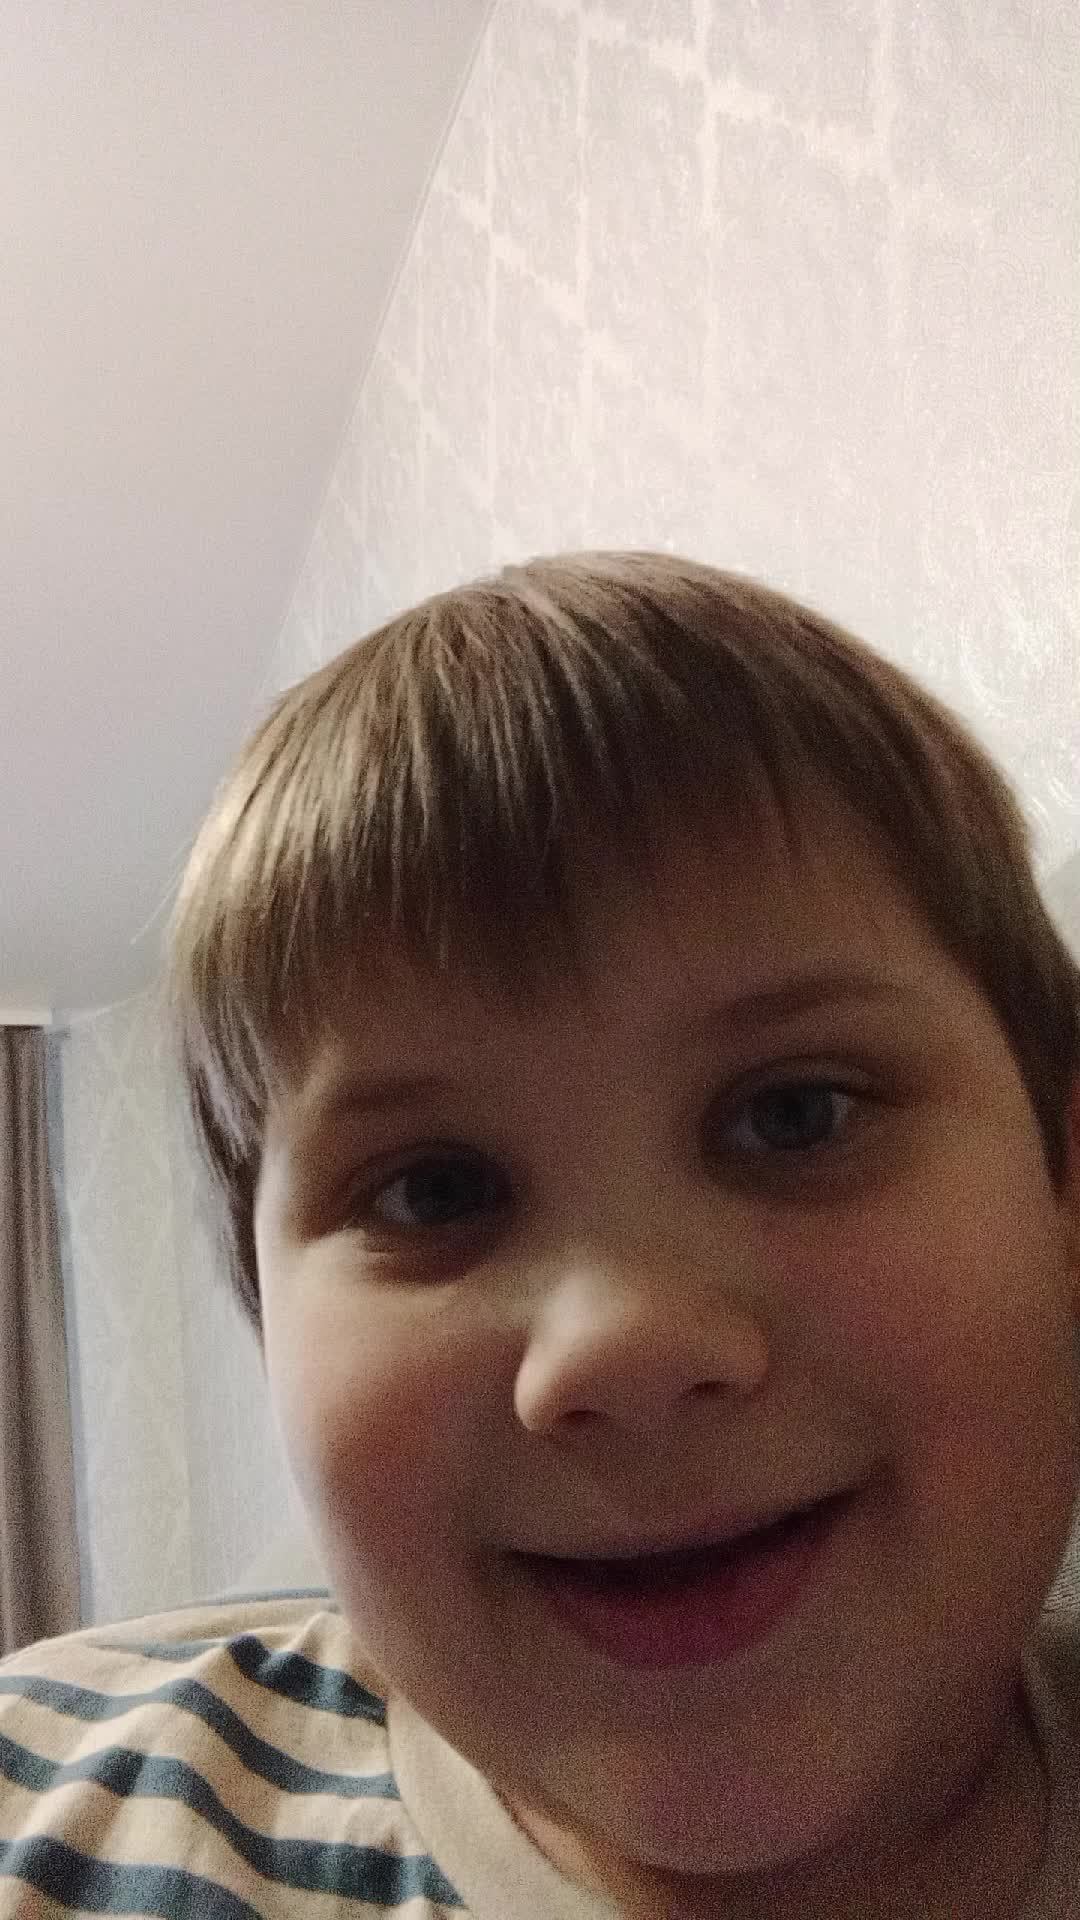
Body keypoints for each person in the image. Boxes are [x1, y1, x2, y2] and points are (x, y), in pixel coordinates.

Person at [1, 550, 1079, 1919]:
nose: (624, 1348)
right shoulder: (56, 1815)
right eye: (433, 1192)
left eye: (795, 1115)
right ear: (268, 1325)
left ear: (1062, 1185)